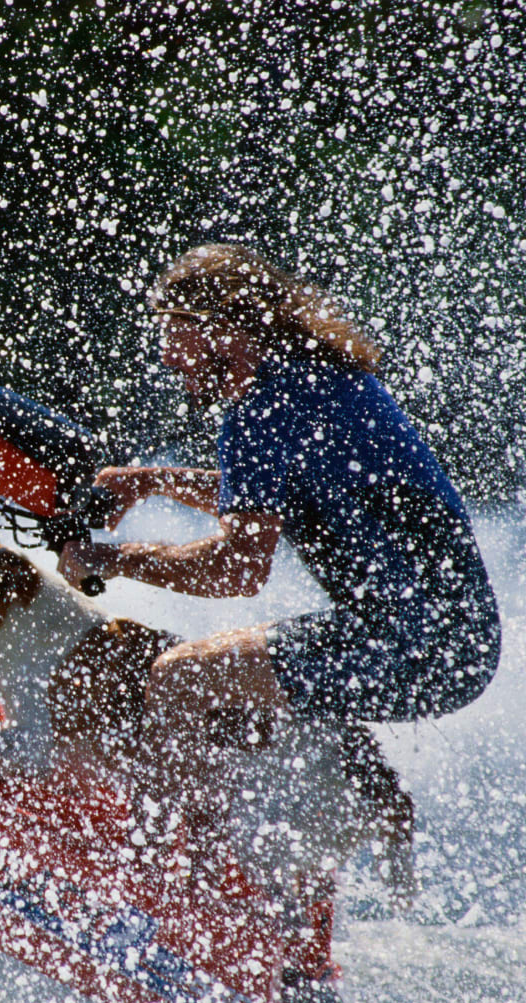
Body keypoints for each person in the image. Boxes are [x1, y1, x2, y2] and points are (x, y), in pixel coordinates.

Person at [59, 243, 501, 737]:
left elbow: (238, 569)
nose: (167, 357)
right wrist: (153, 481)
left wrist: (113, 560)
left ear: (223, 328)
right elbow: (275, 501)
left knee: (178, 677)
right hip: (451, 645)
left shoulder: (262, 409)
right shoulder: (318, 377)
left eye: (173, 333)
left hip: (413, 649)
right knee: (228, 673)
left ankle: (184, 818)